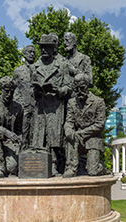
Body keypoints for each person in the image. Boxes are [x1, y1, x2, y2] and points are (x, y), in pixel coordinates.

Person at [30, 33, 74, 176]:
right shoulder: (35, 66)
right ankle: (38, 165)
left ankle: (53, 165)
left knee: (54, 137)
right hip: (40, 105)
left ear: (53, 48)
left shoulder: (62, 64)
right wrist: (36, 91)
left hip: (55, 105)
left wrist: (59, 90)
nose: (43, 50)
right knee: (39, 136)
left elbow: (69, 85)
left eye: (47, 47)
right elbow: (31, 87)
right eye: (42, 47)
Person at [63, 73, 105, 177]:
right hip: (78, 139)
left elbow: (100, 124)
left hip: (93, 138)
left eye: (82, 88)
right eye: (76, 89)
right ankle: (71, 167)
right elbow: (69, 121)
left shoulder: (98, 102)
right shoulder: (71, 102)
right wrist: (68, 129)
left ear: (87, 86)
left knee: (92, 172)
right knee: (70, 137)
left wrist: (81, 133)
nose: (79, 91)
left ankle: (100, 167)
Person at [13, 45, 36, 149]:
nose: (32, 54)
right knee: (23, 132)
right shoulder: (18, 71)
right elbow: (15, 89)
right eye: (30, 52)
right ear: (24, 54)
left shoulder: (38, 69)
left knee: (35, 133)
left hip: (36, 106)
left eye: (34, 52)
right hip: (24, 106)